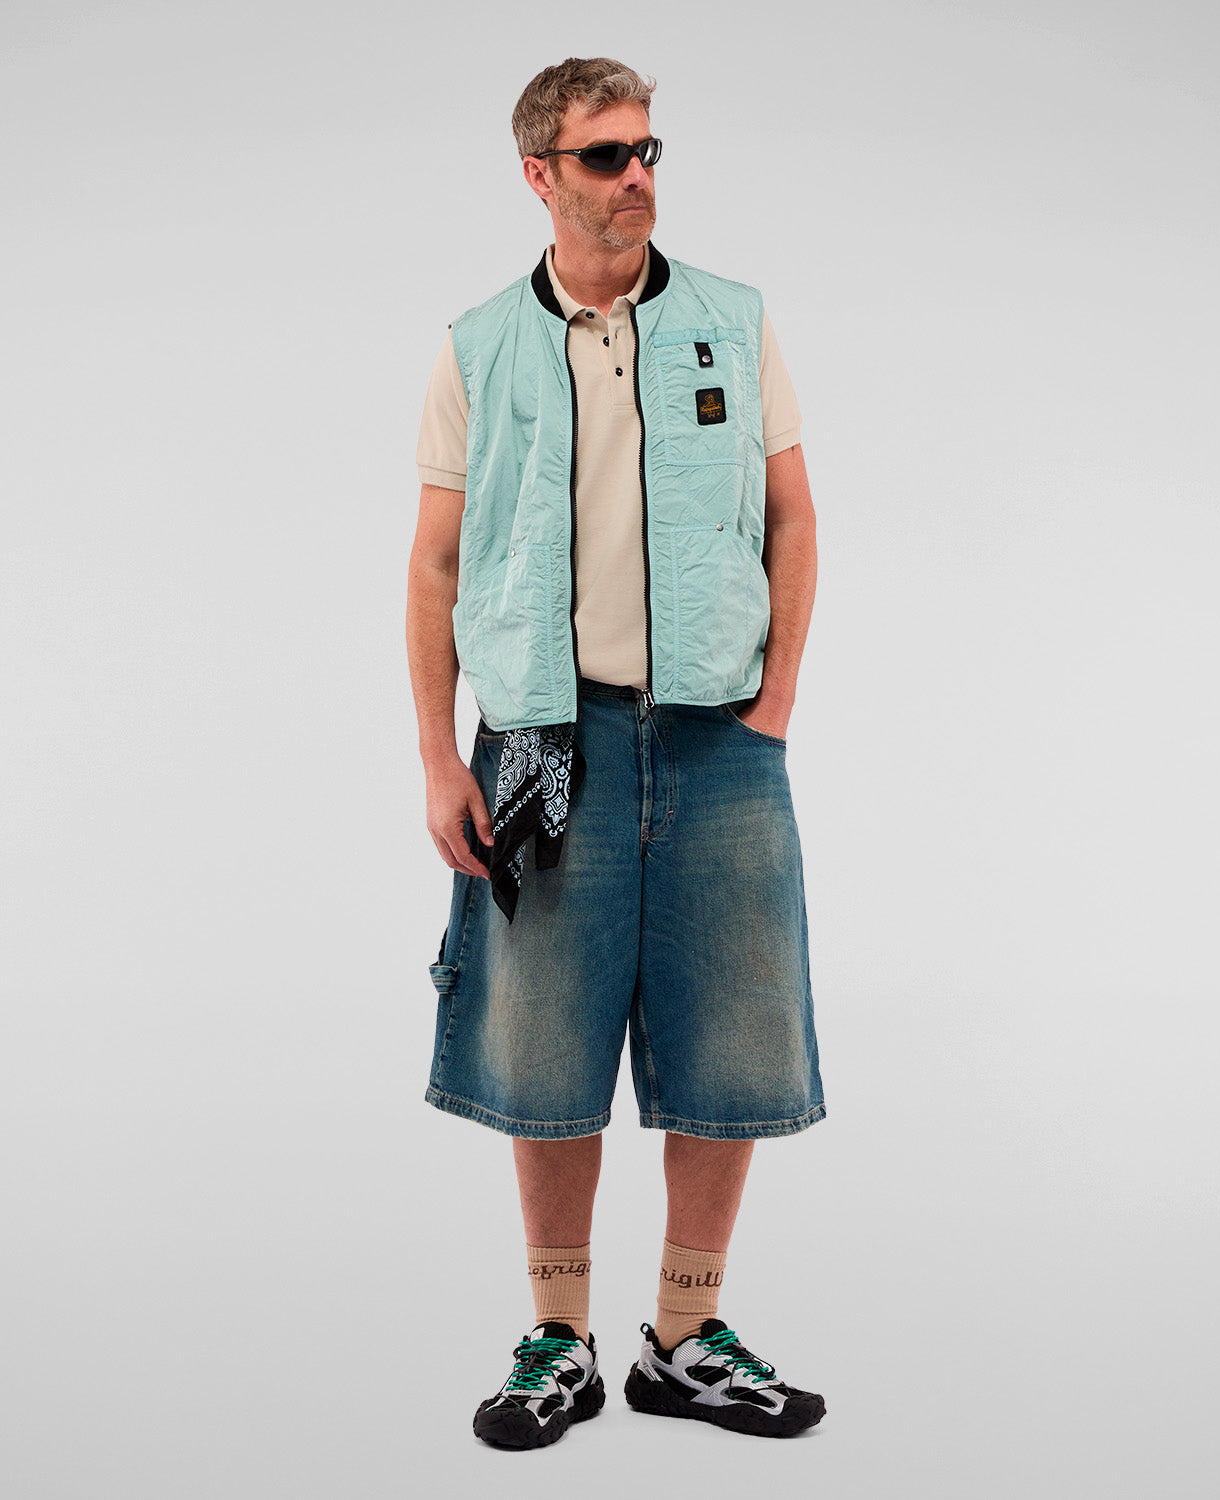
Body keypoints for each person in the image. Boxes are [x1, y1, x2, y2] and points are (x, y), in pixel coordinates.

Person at [406, 56, 826, 1449]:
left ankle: (687, 1337)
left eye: (648, 150)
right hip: (543, 738)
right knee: (545, 1042)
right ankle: (561, 1337)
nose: (637, 175)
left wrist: (774, 706)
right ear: (540, 175)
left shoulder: (730, 321)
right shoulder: (478, 347)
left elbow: (793, 516)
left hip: (720, 740)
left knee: (735, 1038)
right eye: (605, 156)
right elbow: (434, 564)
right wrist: (439, 758)